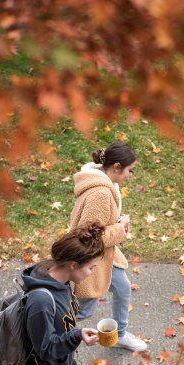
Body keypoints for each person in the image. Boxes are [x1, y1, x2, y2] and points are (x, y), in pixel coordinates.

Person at [0, 223, 104, 365]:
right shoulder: (41, 301)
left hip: (62, 362)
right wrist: (77, 335)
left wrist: (75, 332)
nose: (92, 273)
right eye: (91, 267)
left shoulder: (61, 278)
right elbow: (45, 347)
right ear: (73, 264)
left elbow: (61, 324)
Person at [69, 141, 147, 352]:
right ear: (116, 167)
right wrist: (120, 228)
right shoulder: (100, 193)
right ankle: (46, 335)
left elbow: (98, 224)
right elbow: (88, 236)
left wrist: (117, 222)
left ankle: (119, 334)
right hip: (90, 260)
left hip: (103, 257)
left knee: (122, 289)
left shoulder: (107, 184)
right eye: (130, 170)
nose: (131, 175)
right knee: (82, 310)